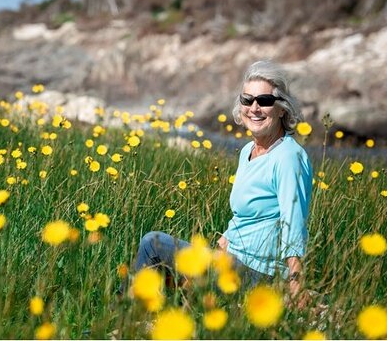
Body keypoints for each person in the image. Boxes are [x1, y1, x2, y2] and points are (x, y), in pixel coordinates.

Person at [132, 60, 313, 307]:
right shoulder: (248, 151)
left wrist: (295, 283)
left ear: (282, 108)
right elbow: (242, 218)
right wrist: (218, 248)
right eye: (248, 100)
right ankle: (156, 310)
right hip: (230, 262)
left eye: (265, 101)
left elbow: (294, 223)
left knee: (153, 243)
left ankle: (129, 313)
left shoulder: (288, 157)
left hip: (258, 275)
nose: (255, 108)